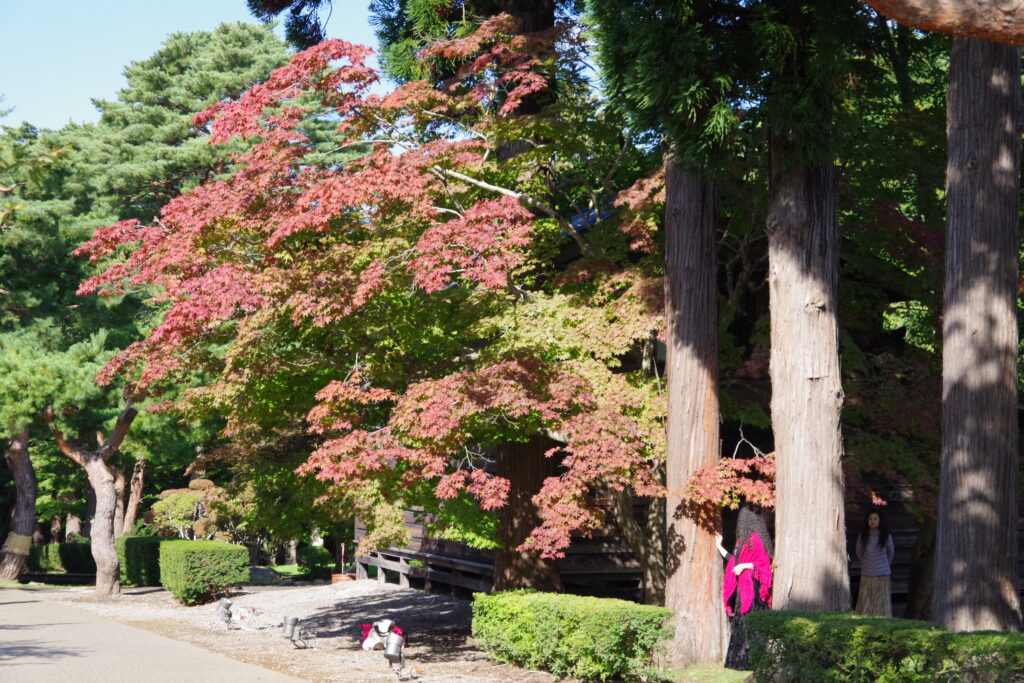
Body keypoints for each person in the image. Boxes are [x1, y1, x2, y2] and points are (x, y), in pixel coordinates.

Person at [716, 504, 773, 670]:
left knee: (751, 622)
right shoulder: (742, 541)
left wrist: (745, 566)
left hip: (754, 588)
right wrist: (719, 547)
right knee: (743, 622)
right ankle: (741, 662)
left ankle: (753, 661)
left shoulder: (755, 538)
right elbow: (735, 560)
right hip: (744, 588)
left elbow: (763, 564)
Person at [854, 507, 894, 616]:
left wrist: (883, 564)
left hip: (882, 573)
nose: (872, 521)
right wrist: (866, 563)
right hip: (867, 573)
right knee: (866, 599)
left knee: (881, 600)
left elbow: (890, 553)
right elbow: (859, 552)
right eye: (870, 519)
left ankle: (882, 618)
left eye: (875, 519)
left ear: (880, 521)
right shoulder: (863, 536)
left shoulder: (886, 536)